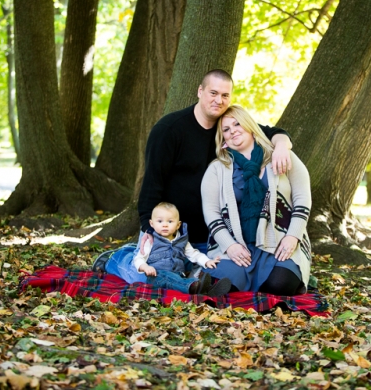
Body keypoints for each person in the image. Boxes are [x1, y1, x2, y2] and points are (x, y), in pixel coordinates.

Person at [100, 69, 293, 283]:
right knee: (152, 275)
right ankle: (119, 259)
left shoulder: (229, 129)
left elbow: (270, 132)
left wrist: (282, 145)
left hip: (213, 237)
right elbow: (152, 184)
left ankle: (186, 277)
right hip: (171, 233)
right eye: (213, 93)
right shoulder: (169, 130)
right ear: (200, 91)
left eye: (225, 95)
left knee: (207, 275)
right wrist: (148, 227)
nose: (219, 100)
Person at [201, 105, 312, 296]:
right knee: (220, 282)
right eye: (226, 130)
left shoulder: (281, 156)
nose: (232, 130)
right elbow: (211, 212)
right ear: (223, 138)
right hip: (238, 244)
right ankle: (220, 281)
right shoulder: (217, 168)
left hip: (279, 241)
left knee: (279, 284)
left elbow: (303, 199)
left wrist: (293, 236)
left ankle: (258, 280)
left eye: (237, 124)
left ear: (250, 126)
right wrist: (230, 246)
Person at [133, 202, 231, 297]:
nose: (165, 225)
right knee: (164, 276)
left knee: (180, 279)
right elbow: (139, 259)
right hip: (157, 277)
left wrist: (207, 261)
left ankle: (207, 290)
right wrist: (145, 267)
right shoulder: (151, 241)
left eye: (170, 221)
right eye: (160, 221)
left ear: (178, 225)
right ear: (152, 223)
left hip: (179, 277)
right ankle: (195, 287)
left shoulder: (182, 241)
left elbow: (194, 254)